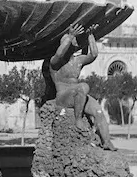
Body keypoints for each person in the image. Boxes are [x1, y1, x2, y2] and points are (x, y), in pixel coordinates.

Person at [45, 22, 117, 151]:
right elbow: (60, 53)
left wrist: (90, 35)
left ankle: (106, 141)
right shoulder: (55, 62)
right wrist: (70, 35)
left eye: (72, 42)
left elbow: (94, 54)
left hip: (78, 95)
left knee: (98, 111)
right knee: (82, 87)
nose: (71, 44)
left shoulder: (77, 61)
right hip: (63, 97)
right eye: (68, 42)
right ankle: (78, 119)